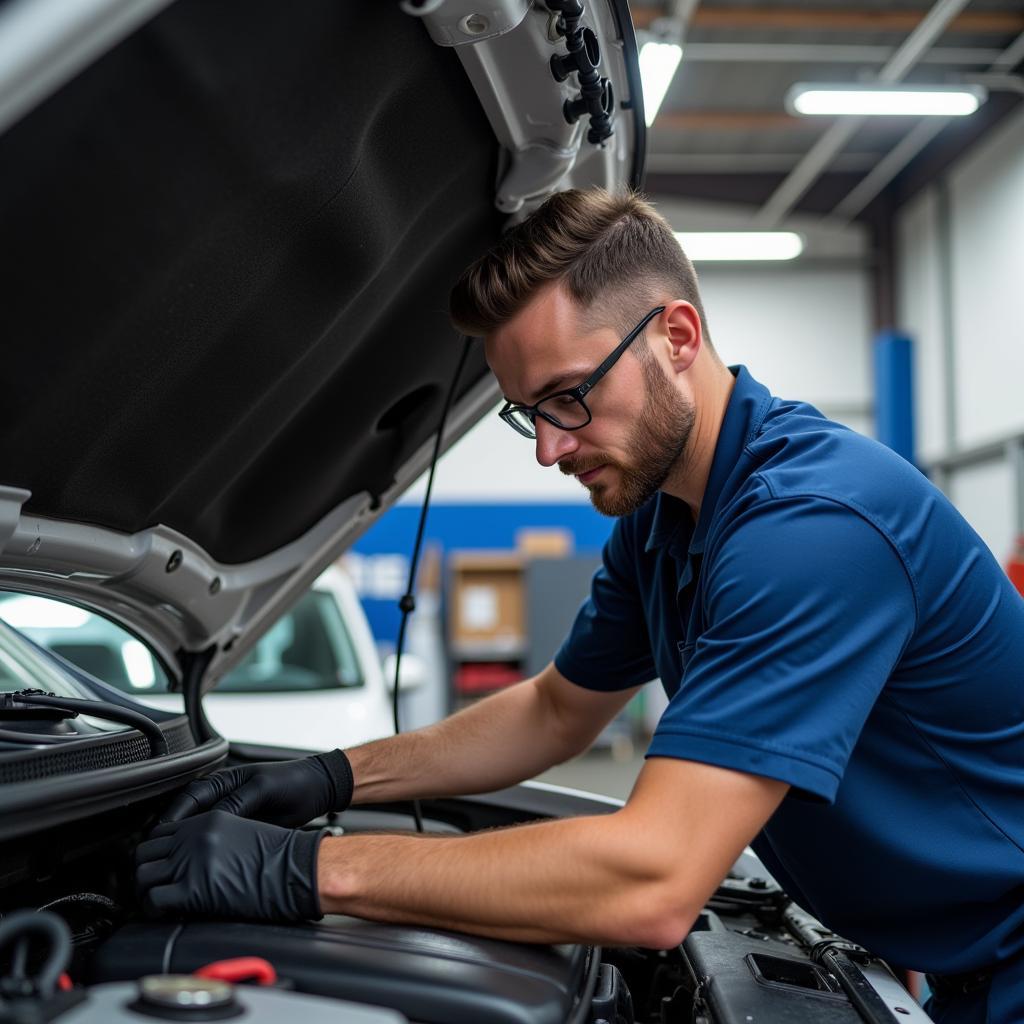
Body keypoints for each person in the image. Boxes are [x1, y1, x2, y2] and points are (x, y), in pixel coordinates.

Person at [136, 189, 1024, 1024]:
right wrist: (334, 777)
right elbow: (558, 709)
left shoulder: (813, 527)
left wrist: (312, 870)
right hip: (962, 961)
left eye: (570, 395)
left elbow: (655, 881)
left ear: (677, 334)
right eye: (529, 414)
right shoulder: (666, 517)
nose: (551, 449)